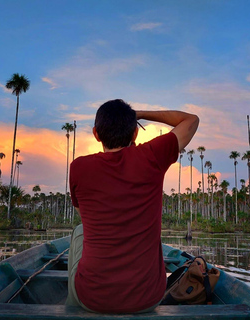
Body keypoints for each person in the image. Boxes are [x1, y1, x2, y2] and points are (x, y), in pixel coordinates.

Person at [66, 99, 199, 313]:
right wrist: (140, 114)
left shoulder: (78, 167)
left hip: (92, 298)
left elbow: (85, 217)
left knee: (80, 231)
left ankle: (73, 310)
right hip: (147, 299)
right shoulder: (152, 156)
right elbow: (191, 120)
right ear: (135, 134)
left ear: (96, 134)